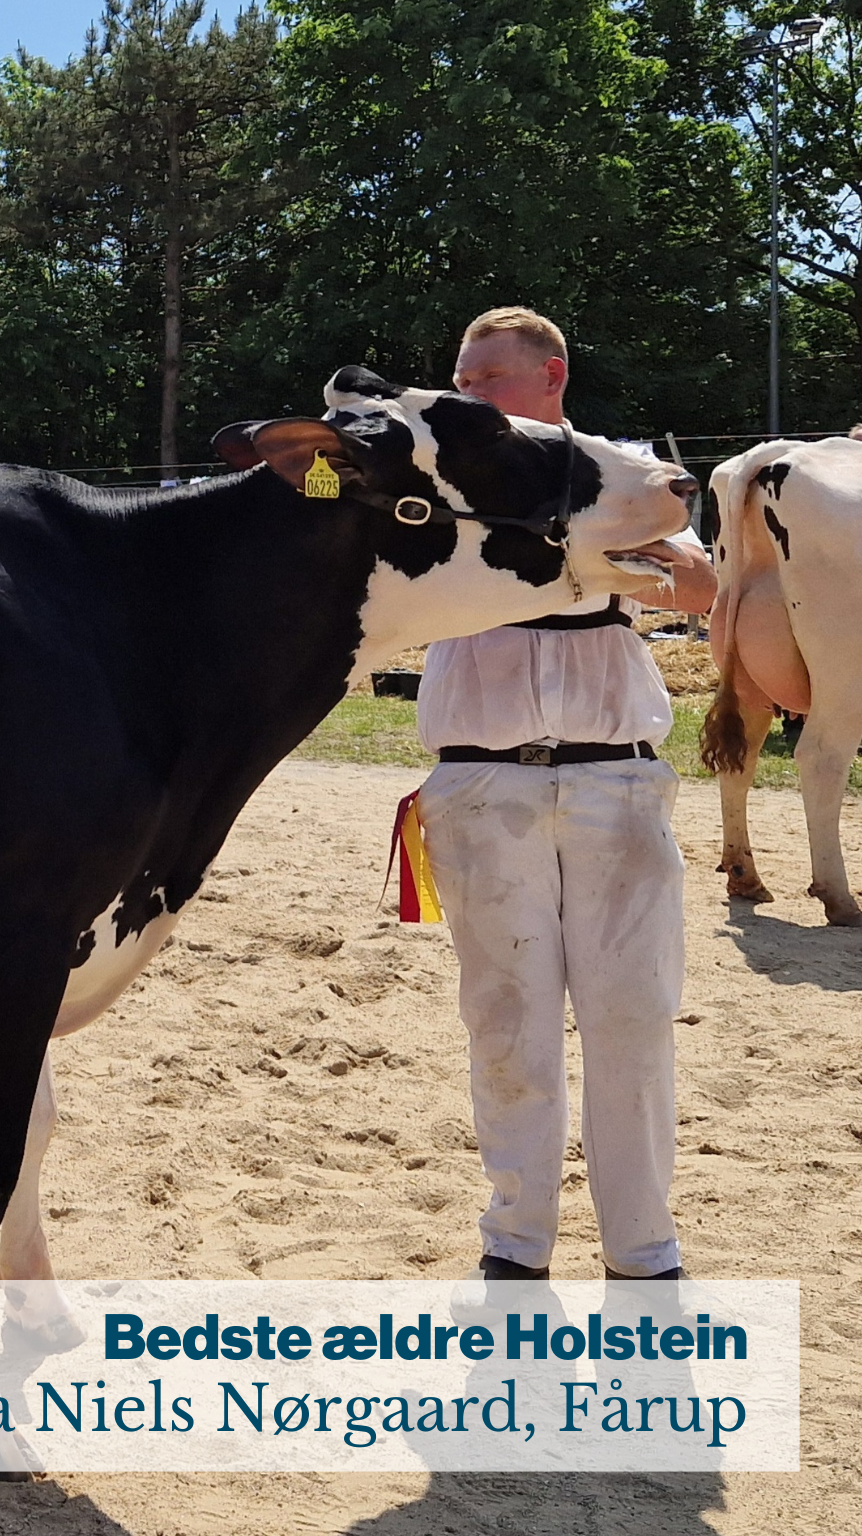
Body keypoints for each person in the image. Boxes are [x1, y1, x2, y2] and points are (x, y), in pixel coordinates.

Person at [414, 307, 715, 1283]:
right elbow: (324, 495)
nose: (464, 394)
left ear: (549, 375)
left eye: (484, 378)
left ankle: (640, 1249)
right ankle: (514, 1241)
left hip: (611, 778)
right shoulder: (431, 477)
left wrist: (589, 565)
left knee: (630, 1015)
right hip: (479, 777)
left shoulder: (622, 474)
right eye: (458, 378)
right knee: (505, 1019)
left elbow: (698, 585)